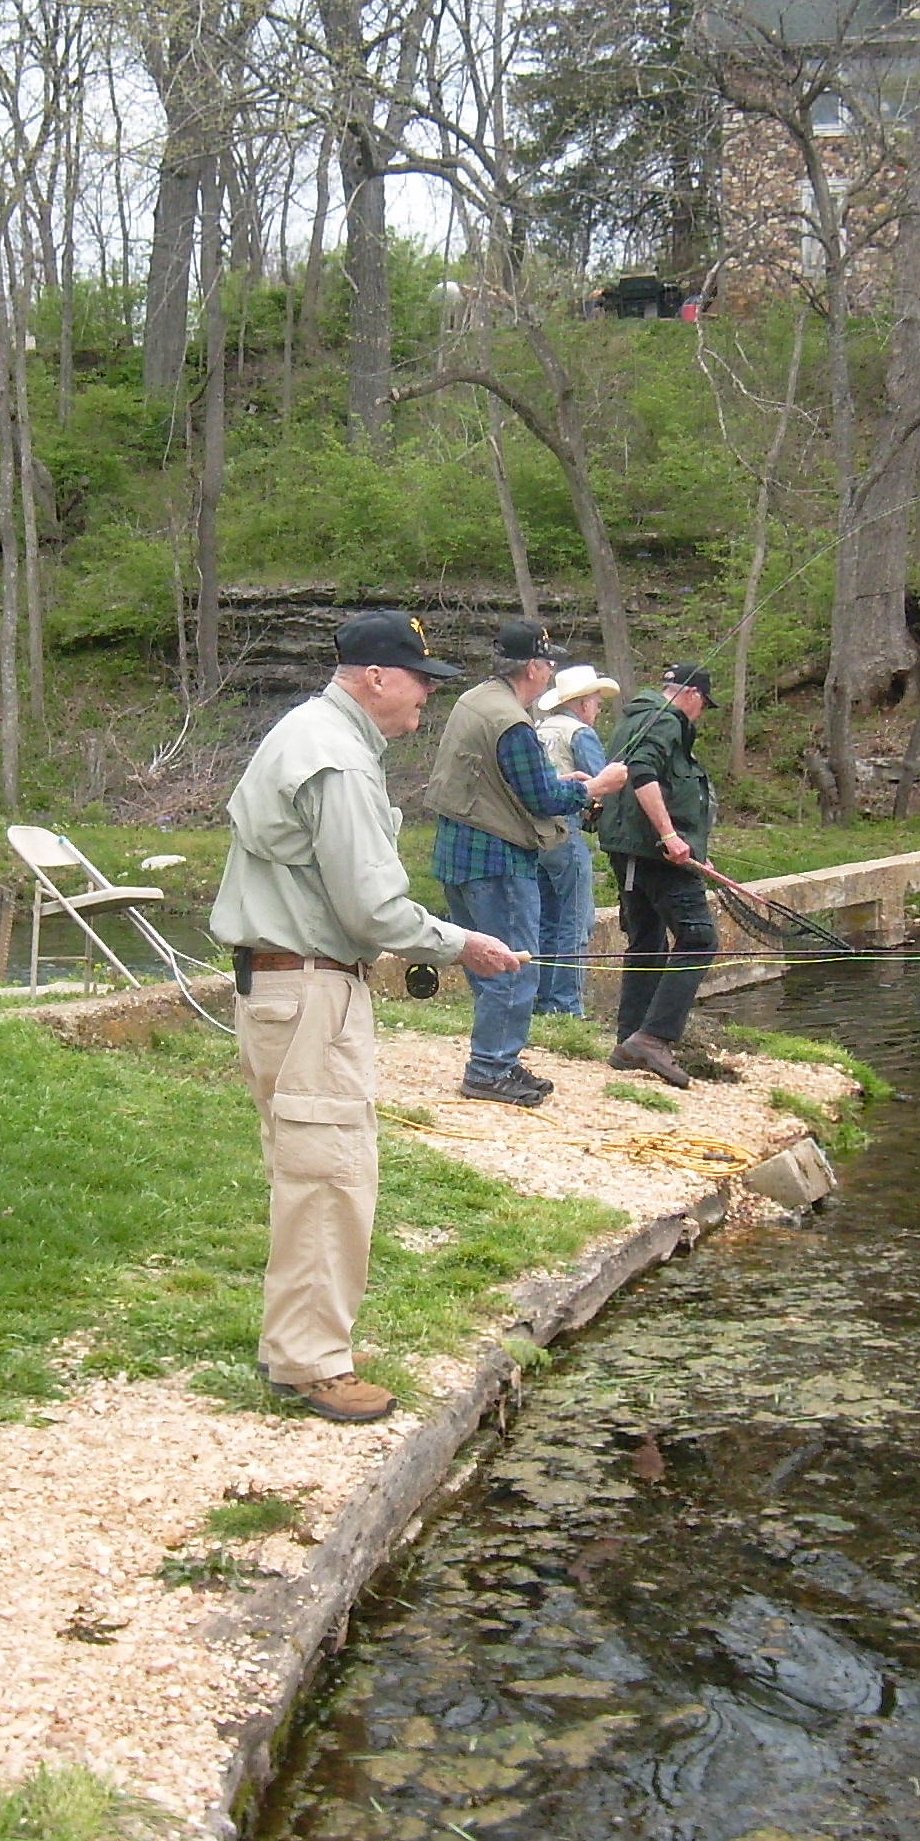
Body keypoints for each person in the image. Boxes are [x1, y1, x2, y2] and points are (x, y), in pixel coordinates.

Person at [210, 609, 525, 1424]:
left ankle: (301, 1346)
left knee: (308, 1171)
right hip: (312, 990)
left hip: (287, 988)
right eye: (420, 679)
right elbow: (373, 910)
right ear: (375, 676)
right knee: (328, 1177)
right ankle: (314, 1365)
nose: (427, 696)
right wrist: (465, 944)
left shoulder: (311, 733)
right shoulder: (338, 759)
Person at [422, 621, 630, 1106]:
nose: (551, 669)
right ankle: (489, 1070)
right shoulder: (512, 723)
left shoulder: (475, 699)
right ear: (533, 668)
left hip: (459, 856)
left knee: (487, 965)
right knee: (513, 966)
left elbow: (507, 780)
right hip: (498, 861)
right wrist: (595, 787)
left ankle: (501, 1058)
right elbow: (542, 797)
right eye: (548, 661)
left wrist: (566, 782)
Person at [594, 662, 719, 1089]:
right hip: (655, 855)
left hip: (632, 854)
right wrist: (669, 835)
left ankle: (629, 1042)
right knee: (699, 939)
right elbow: (642, 775)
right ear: (694, 696)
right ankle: (655, 1038)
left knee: (646, 941)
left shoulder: (638, 718)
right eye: (703, 706)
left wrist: (691, 845)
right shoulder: (665, 722)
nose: (699, 715)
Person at [530, 664, 617, 1017]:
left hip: (532, 834)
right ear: (582, 703)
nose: (597, 709)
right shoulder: (579, 733)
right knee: (576, 921)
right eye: (596, 701)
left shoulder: (537, 730)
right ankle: (567, 1006)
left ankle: (540, 1001)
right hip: (565, 833)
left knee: (543, 920)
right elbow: (601, 788)